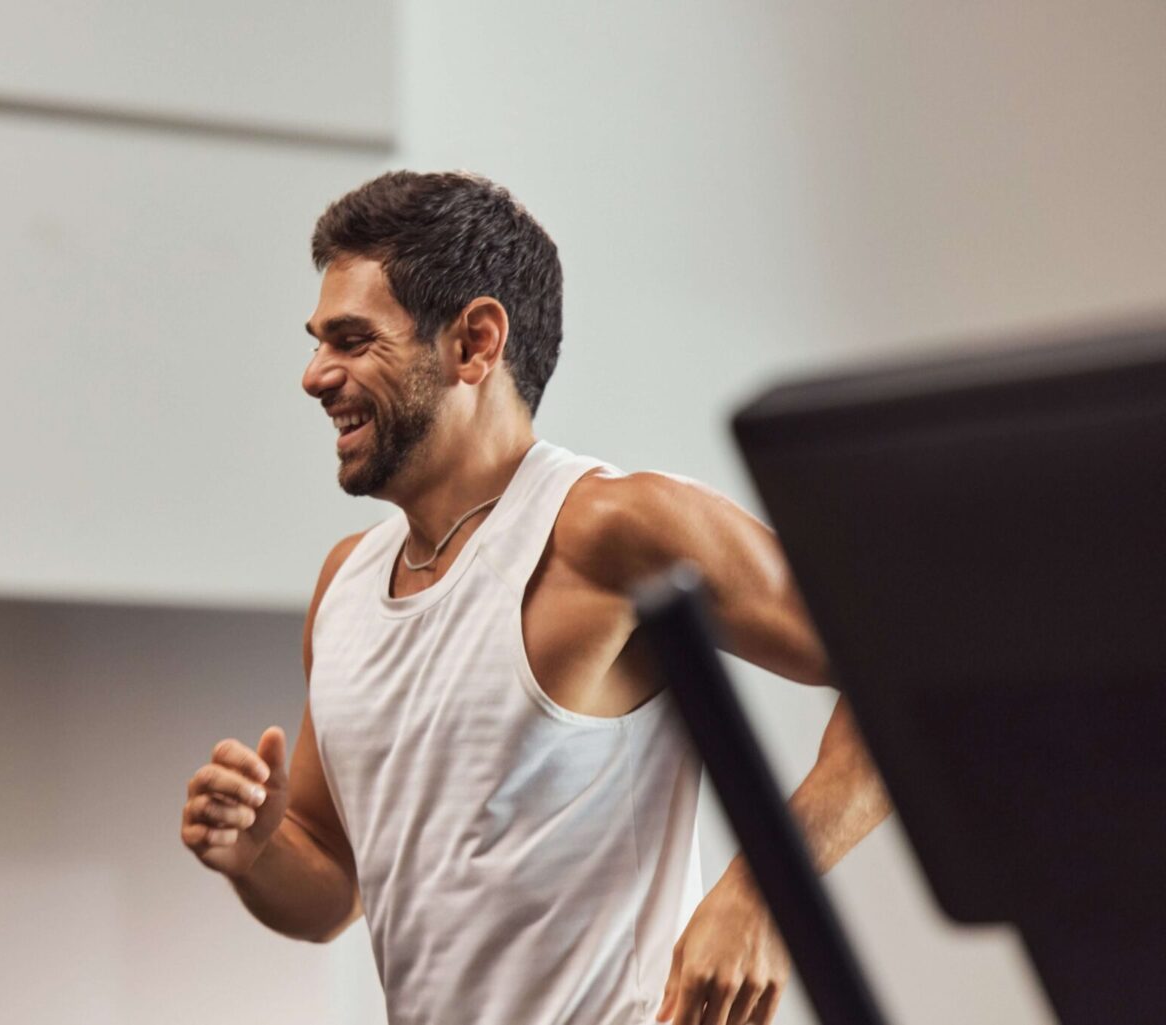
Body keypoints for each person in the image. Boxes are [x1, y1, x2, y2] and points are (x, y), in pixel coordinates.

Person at [179, 170, 891, 1025]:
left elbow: (903, 667)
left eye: (353, 340)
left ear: (475, 342)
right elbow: (330, 885)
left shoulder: (615, 528)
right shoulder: (345, 585)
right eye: (317, 341)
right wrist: (256, 850)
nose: (314, 375)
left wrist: (763, 894)